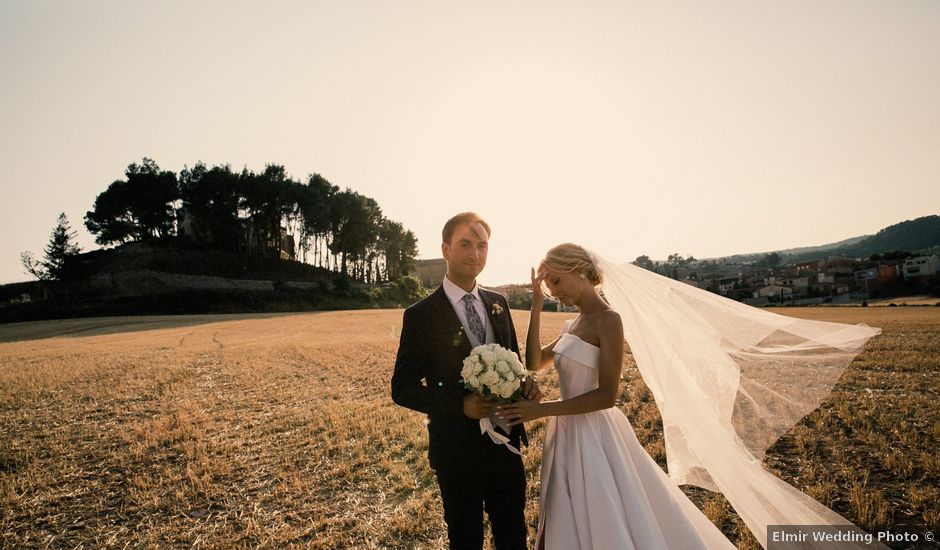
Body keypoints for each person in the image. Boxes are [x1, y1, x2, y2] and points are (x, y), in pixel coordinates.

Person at [498, 243, 884, 550]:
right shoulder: (572, 324)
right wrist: (534, 303)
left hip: (596, 435)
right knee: (568, 516)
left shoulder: (609, 321)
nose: (556, 294)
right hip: (566, 436)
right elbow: (534, 362)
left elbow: (607, 396)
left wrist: (541, 410)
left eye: (557, 284)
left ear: (580, 272)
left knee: (607, 514)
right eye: (549, 289)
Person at [391, 212, 539, 550]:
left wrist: (525, 383)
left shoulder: (498, 303)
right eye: (465, 245)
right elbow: (402, 388)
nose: (475, 254)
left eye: (482, 246)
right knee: (465, 538)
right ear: (445, 249)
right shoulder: (420, 315)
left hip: (506, 445)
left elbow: (513, 362)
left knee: (514, 535)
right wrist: (461, 406)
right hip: (456, 451)